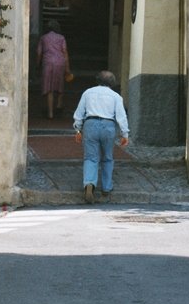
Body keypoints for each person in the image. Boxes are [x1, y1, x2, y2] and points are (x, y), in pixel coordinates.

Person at [73, 70, 129, 203]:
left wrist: (78, 130)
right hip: (108, 125)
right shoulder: (116, 96)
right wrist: (124, 133)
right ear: (112, 83)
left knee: (90, 157)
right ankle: (106, 187)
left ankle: (89, 184)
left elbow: (79, 113)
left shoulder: (88, 93)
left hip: (90, 124)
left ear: (97, 80)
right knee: (107, 158)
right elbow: (121, 116)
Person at [37, 20, 71, 120]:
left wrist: (37, 64)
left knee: (49, 88)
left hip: (47, 63)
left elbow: (39, 53)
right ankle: (59, 104)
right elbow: (65, 52)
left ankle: (50, 113)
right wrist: (67, 68)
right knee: (60, 84)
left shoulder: (43, 38)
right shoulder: (61, 38)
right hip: (60, 62)